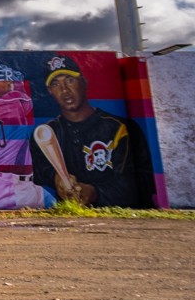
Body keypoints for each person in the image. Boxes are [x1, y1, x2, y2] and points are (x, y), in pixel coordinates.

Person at [29, 54, 154, 209]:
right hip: (67, 223)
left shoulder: (120, 128)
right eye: (56, 84)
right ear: (50, 91)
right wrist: (56, 178)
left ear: (84, 82)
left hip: (123, 219)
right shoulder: (46, 133)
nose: (64, 90)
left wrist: (95, 192)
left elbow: (143, 181)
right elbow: (38, 172)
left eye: (70, 80)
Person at [0, 58, 45, 210]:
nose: (8, 81)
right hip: (12, 186)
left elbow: (23, 106)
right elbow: (26, 102)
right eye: (2, 78)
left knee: (58, 205)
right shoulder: (10, 102)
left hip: (21, 183)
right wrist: (18, 81)